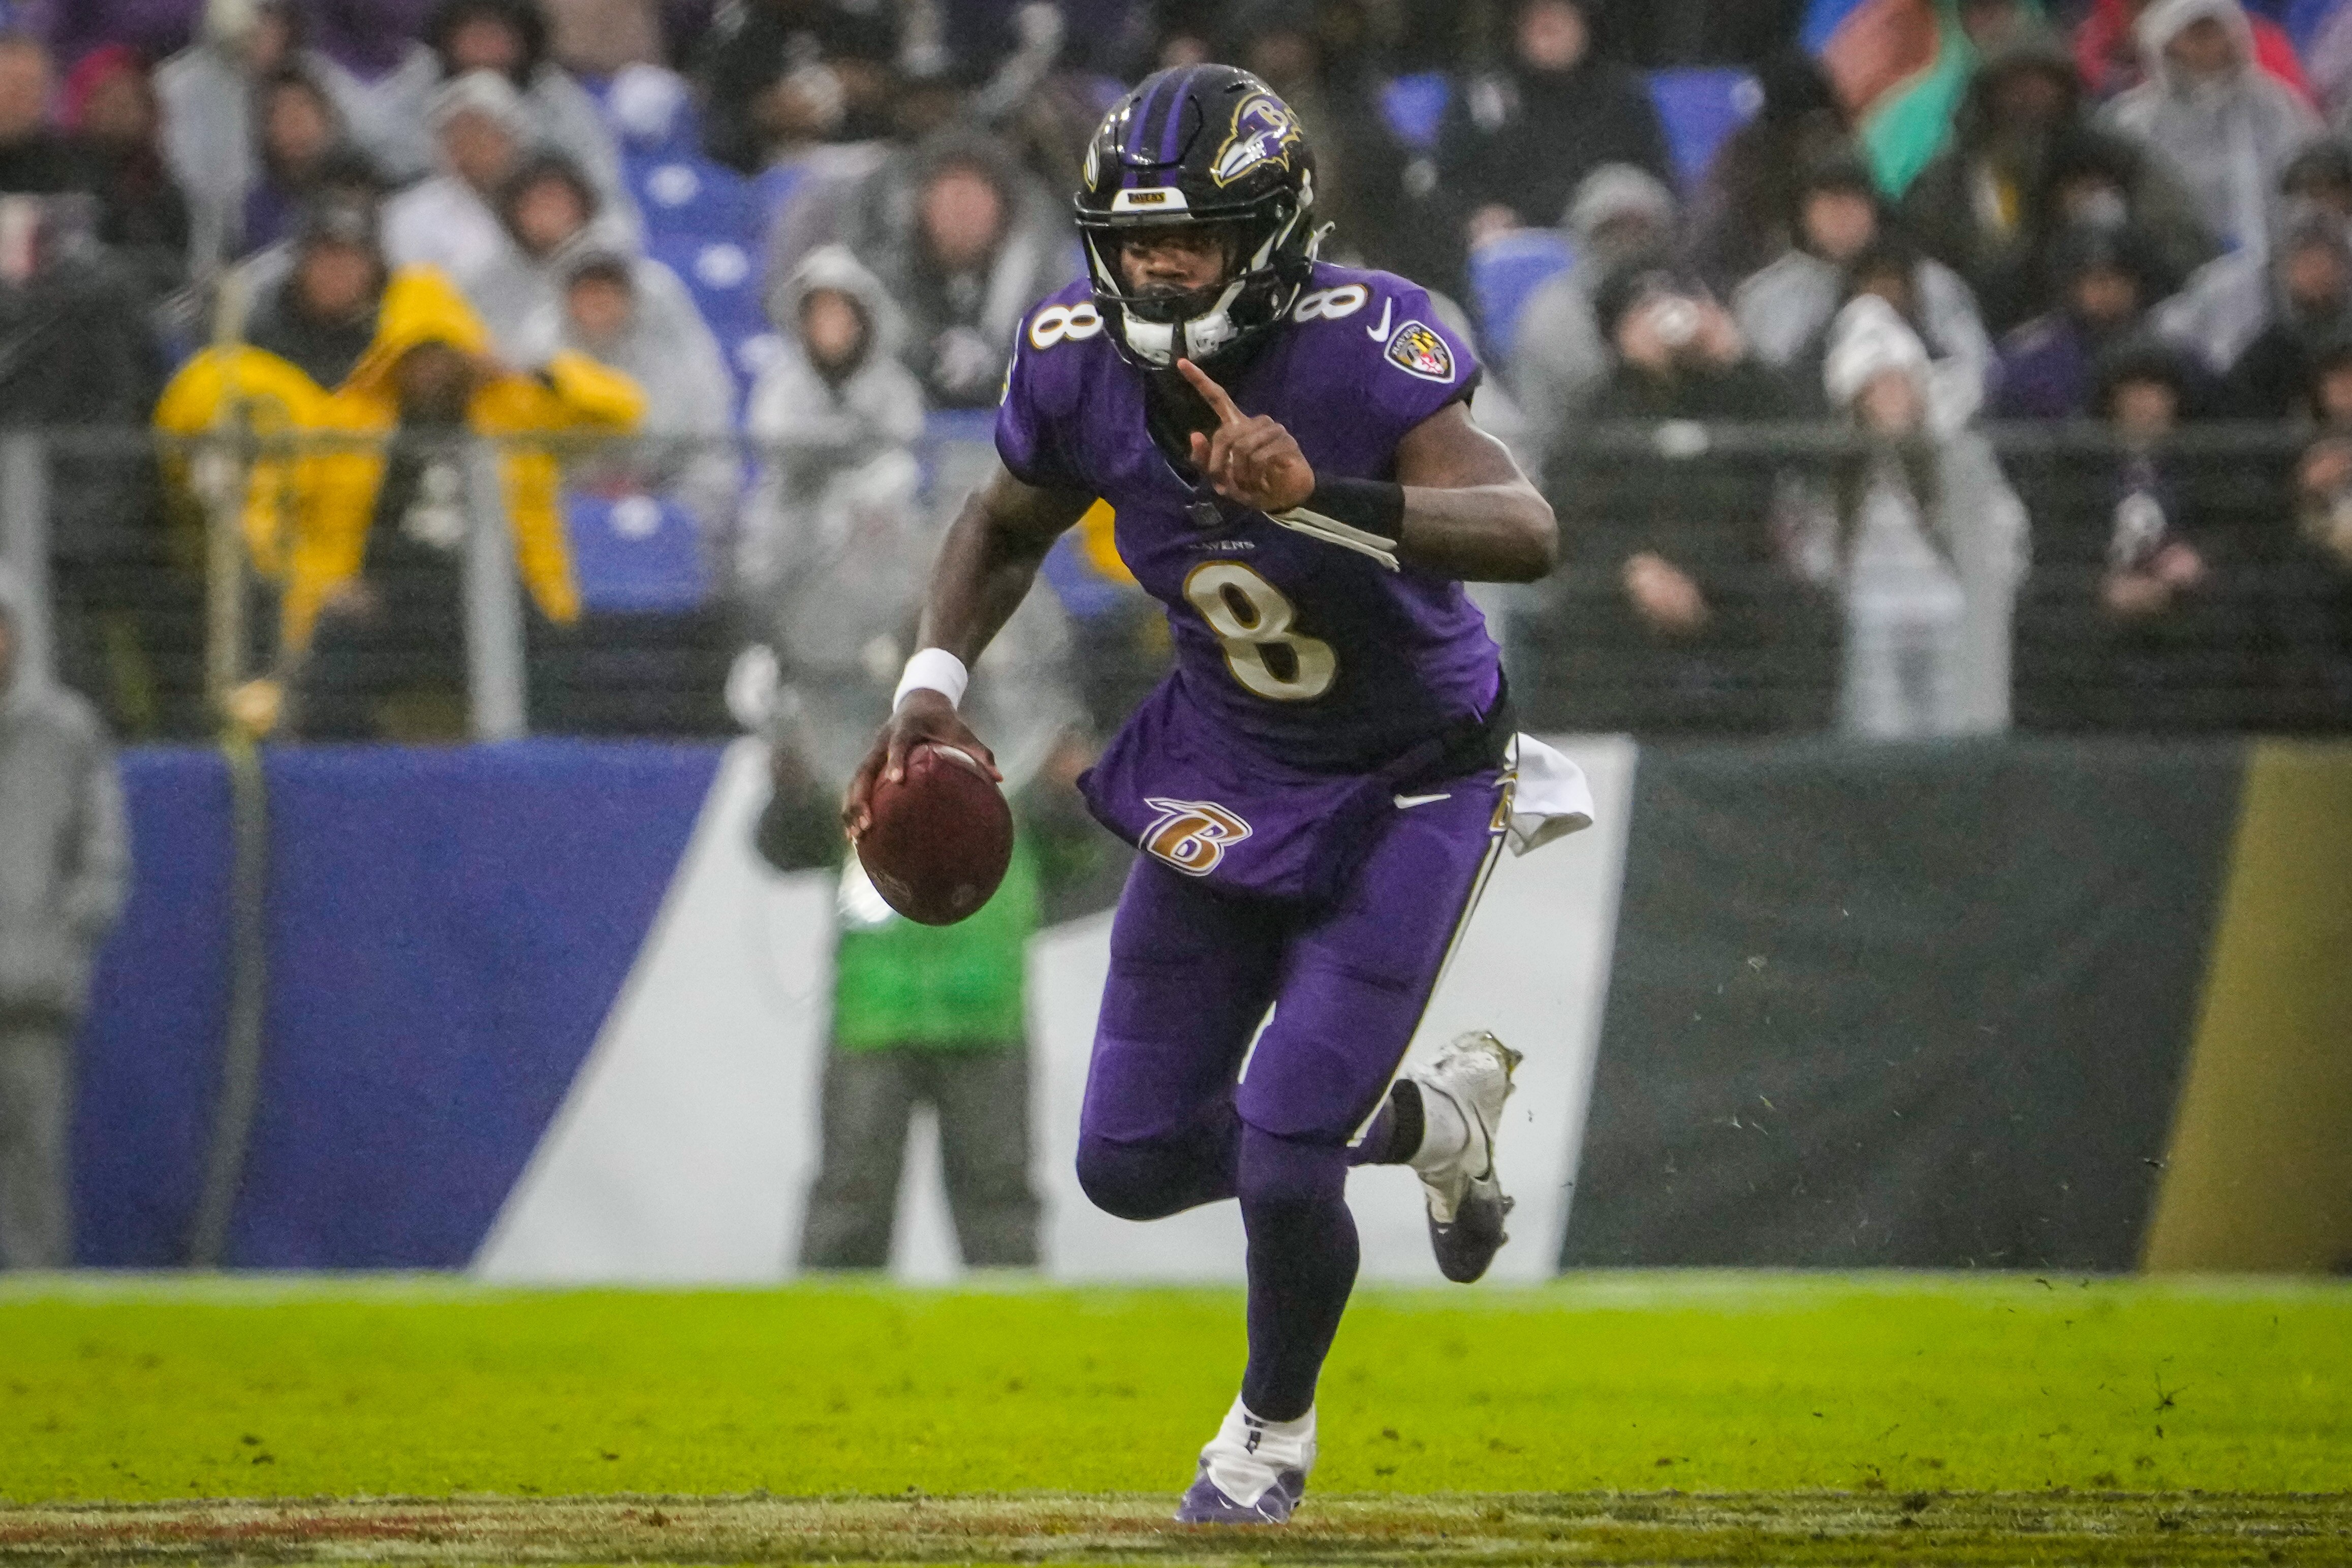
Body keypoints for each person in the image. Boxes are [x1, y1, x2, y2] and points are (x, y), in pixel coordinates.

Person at [839, 65, 1591, 1524]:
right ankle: (1432, 1124)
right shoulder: (1073, 357)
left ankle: (1267, 1435)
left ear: (1275, 232)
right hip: (1227, 761)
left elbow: (1526, 530)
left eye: (1190, 237)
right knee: (1125, 1160)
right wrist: (931, 678)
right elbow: (1002, 523)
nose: (1158, 268)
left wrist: (1321, 497)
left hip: (1409, 777)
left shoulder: (1364, 341)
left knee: (1288, 1147)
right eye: (1134, 241)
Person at [152, 199, 645, 736]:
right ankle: (336, 771)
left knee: (562, 669)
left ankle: (552, 770)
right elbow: (283, 518)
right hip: (387, 601)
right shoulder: (351, 421)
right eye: (417, 354)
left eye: (442, 352)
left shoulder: (511, 408)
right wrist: (327, 585)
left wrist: (529, 374)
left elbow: (620, 412)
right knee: (333, 665)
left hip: (499, 592)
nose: (430, 369)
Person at [1549, 261, 1836, 734]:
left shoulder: (1738, 394)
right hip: (1630, 589)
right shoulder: (1596, 412)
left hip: (1734, 579)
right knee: (1582, 634)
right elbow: (1565, 517)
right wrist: (1631, 568)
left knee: (1806, 618)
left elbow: (1809, 453)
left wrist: (1737, 356)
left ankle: (1789, 764)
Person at [1898, 23, 2212, 334]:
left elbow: (2182, 244)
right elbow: (1926, 270)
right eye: (2015, 85)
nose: (2029, 97)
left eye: (2043, 83)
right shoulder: (1951, 180)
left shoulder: (2114, 160)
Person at [0, 564, 130, 1270]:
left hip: (34, 994)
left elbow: (104, 854)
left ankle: (37, 1301)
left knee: (33, 1171)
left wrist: (60, 935)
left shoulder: (66, 731)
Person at [1735, 153, 1995, 422]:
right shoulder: (1766, 294)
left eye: (1853, 202)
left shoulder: (1930, 283)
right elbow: (1758, 388)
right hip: (1802, 439)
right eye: (1829, 203)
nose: (1841, 215)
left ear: (1874, 210)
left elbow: (1978, 372)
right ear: (1804, 213)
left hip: (1927, 436)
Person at [1431, 0, 1673, 253]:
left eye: (1561, 14)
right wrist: (1476, 215)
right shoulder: (1483, 97)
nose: (1548, 26)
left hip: (1604, 247)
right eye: (1536, 15)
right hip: (1510, 246)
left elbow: (1658, 184)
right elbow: (1446, 184)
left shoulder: (1622, 96)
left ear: (1586, 23)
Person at [2097, 0, 2320, 260]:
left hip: (2275, 264)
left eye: (2220, 31)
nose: (2216, 44)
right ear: (2168, 45)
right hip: (2168, 266)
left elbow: (2313, 182)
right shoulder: (2134, 121)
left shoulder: (2277, 107)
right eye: (2199, 36)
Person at [1993, 223, 2168, 418]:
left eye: (2122, 279)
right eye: (2099, 280)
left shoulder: (2163, 350)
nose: (2111, 291)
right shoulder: (2033, 359)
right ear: (2073, 286)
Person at [382, 70, 528, 294]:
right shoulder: (411, 214)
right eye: (456, 135)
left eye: (481, 132)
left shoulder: (549, 199)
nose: (470, 147)